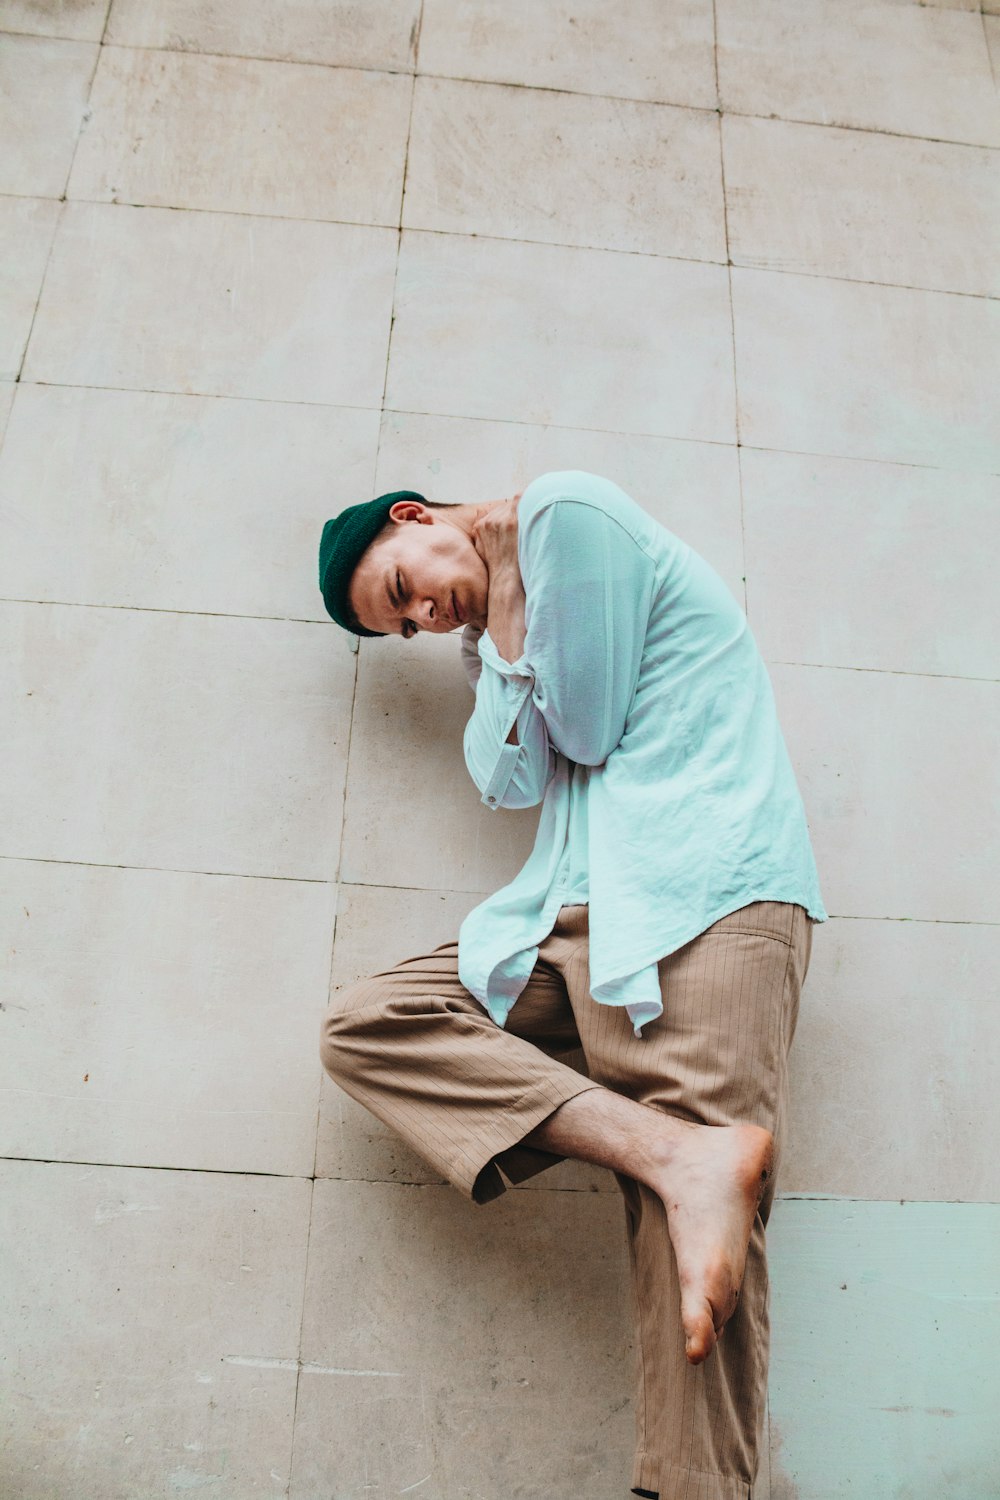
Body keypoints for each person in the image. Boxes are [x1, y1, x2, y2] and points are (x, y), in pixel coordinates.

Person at [316, 470, 826, 1500]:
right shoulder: (489, 630)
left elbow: (582, 732)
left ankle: (690, 1489)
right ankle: (675, 1152)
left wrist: (508, 616)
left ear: (412, 519)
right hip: (576, 916)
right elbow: (507, 782)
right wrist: (498, 622)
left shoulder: (567, 513)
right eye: (403, 624)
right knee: (373, 1024)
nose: (424, 616)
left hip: (703, 894)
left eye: (405, 588)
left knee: (693, 1244)